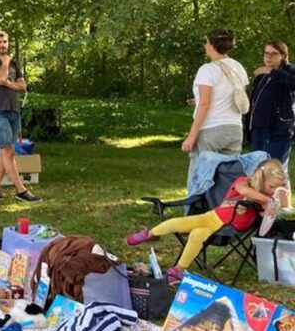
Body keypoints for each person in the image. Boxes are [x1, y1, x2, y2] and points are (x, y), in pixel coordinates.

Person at [126, 159, 289, 281]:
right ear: (260, 179)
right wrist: (267, 200)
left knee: (197, 235)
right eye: (272, 187)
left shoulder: (267, 199)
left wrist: (275, 202)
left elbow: (265, 219)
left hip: (229, 229)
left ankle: (178, 270)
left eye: (278, 187)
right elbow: (244, 191)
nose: (274, 191)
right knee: (177, 223)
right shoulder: (243, 182)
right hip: (213, 218)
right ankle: (150, 234)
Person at [0, 30, 39, 203]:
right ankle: (21, 190)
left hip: (13, 110)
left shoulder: (15, 63)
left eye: (5, 42)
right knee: (8, 151)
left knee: (4, 150)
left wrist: (8, 83)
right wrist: (4, 64)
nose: (3, 45)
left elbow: (22, 86)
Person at [183, 28, 249, 181]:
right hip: (234, 129)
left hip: (211, 130)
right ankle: (226, 205)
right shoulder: (239, 68)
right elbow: (235, 97)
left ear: (212, 46)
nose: (205, 46)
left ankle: (194, 205)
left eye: (206, 43)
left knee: (200, 176)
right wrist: (198, 101)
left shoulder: (207, 70)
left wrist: (191, 136)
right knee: (228, 178)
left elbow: (205, 105)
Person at [249, 40, 295, 165]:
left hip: (280, 128)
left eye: (273, 54)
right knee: (257, 167)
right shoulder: (261, 75)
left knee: (274, 169)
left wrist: (272, 72)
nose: (268, 57)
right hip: (259, 127)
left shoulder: (289, 70)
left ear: (283, 56)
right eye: (266, 53)